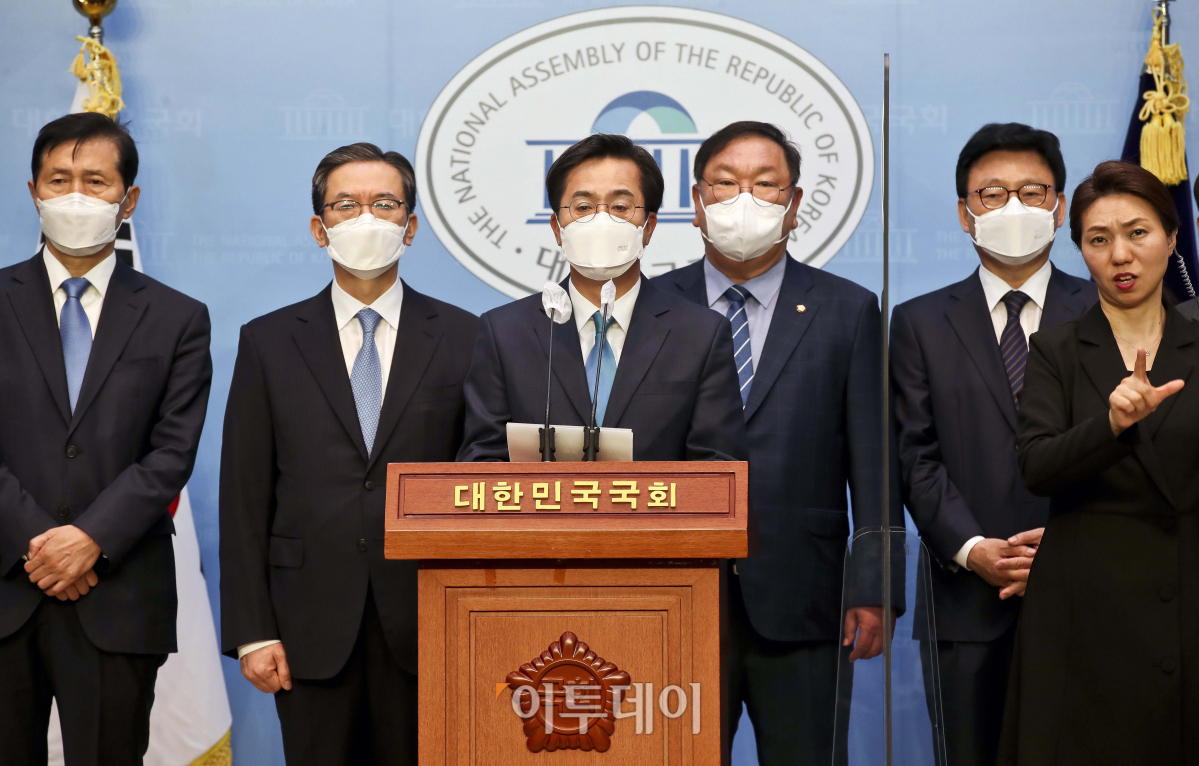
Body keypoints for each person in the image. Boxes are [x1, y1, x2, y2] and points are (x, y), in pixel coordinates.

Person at [220, 143, 478, 766]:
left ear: (410, 227)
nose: (366, 218)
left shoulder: (467, 336)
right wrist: (253, 632)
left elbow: (480, 484)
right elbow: (244, 495)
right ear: (320, 228)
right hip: (306, 626)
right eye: (346, 205)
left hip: (428, 622)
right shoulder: (268, 341)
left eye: (385, 204)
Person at [651, 121, 901, 765]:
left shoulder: (847, 308)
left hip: (805, 592)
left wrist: (875, 585)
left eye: (766, 185)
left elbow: (874, 459)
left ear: (794, 205)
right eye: (725, 184)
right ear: (697, 201)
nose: (744, 200)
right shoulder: (654, 305)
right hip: (674, 591)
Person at [0, 113, 212, 765]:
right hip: (6, 583)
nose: (75, 196)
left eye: (95, 181)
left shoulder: (178, 318)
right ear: (33, 191)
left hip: (117, 593)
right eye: (58, 179)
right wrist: (40, 543)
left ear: (129, 199)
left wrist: (90, 539)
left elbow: (170, 454)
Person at [890, 123, 1097, 766]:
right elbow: (915, 455)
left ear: (1059, 207)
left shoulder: (1104, 311)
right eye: (993, 194)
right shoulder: (919, 322)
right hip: (966, 600)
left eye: (1032, 192)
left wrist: (1067, 548)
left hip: (1089, 594)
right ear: (964, 213)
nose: (1013, 207)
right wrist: (973, 548)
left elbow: (1125, 450)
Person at [999, 160, 1199, 764]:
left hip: (1186, 593)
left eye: (1138, 233)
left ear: (1172, 238)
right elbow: (1036, 467)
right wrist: (1110, 426)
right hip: (1085, 609)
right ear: (1082, 251)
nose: (1120, 255)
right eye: (1099, 239)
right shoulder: (1056, 348)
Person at [457, 133, 746, 463]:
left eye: (620, 207)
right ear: (557, 228)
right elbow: (482, 461)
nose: (601, 220)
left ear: (649, 227)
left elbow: (719, 470)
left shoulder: (700, 335)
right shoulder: (505, 333)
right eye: (583, 207)